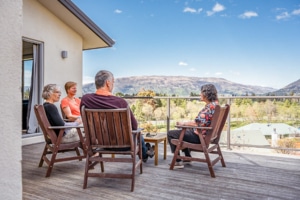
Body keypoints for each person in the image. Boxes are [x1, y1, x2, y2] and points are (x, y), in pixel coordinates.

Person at [80, 70, 154, 162]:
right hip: (124, 145)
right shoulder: (120, 102)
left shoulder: (86, 99)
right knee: (139, 135)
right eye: (113, 82)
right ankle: (145, 153)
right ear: (108, 83)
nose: (113, 84)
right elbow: (134, 126)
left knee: (139, 137)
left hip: (99, 144)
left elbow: (84, 120)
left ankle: (146, 151)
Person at [167, 83, 219, 169]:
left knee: (171, 133)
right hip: (205, 134)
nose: (200, 94)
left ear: (206, 94)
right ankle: (187, 157)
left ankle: (178, 161)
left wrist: (183, 123)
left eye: (201, 92)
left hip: (200, 137)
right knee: (182, 131)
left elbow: (197, 123)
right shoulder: (215, 105)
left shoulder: (209, 107)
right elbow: (201, 122)